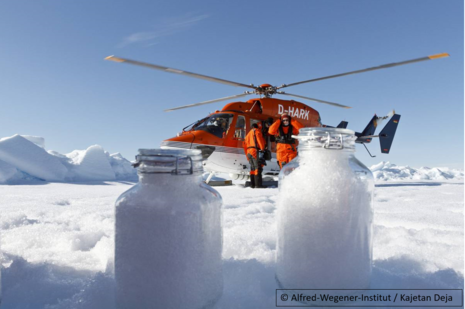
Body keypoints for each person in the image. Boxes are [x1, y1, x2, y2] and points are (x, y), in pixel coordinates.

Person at [244, 123, 266, 188]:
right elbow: (260, 140)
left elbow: (244, 145)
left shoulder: (248, 134)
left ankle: (252, 184)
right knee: (258, 168)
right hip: (255, 151)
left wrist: (247, 155)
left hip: (248, 152)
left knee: (252, 169)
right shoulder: (256, 131)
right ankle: (258, 185)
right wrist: (262, 149)